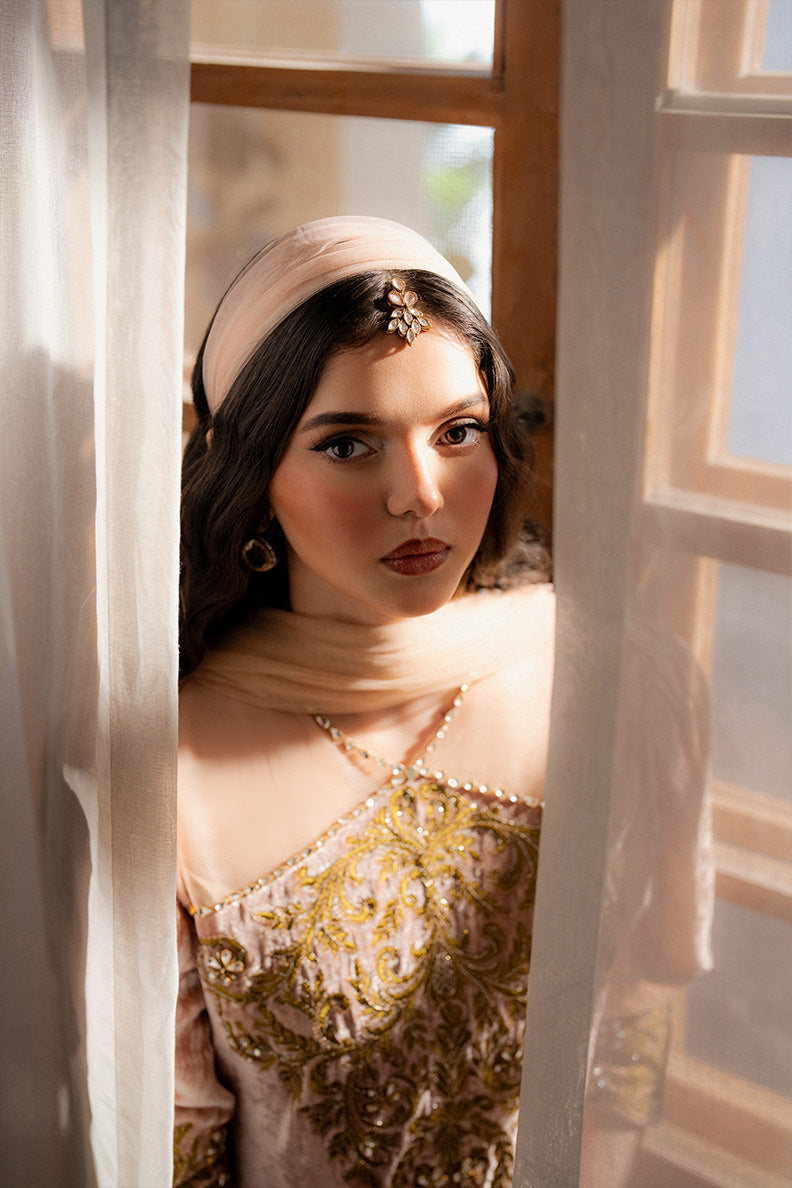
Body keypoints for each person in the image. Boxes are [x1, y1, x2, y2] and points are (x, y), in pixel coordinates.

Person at [173, 215, 557, 1188]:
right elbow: (175, 1136)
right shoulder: (165, 761)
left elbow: (638, 1017)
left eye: (458, 432)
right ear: (254, 472)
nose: (420, 495)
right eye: (348, 444)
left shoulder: (593, 683)